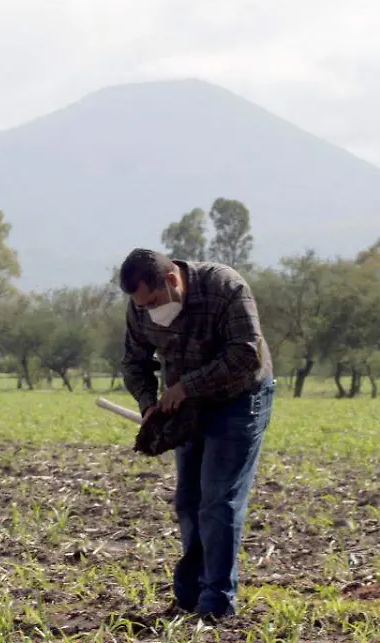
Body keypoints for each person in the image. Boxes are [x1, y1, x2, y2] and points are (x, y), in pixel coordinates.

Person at [117, 247, 275, 621]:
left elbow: (246, 354)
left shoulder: (224, 287)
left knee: (218, 501)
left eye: (155, 301)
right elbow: (134, 363)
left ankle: (216, 605)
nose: (151, 310)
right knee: (188, 500)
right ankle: (189, 598)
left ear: (172, 280)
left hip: (239, 397)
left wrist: (186, 387)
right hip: (185, 405)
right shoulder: (140, 307)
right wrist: (149, 405)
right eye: (143, 305)